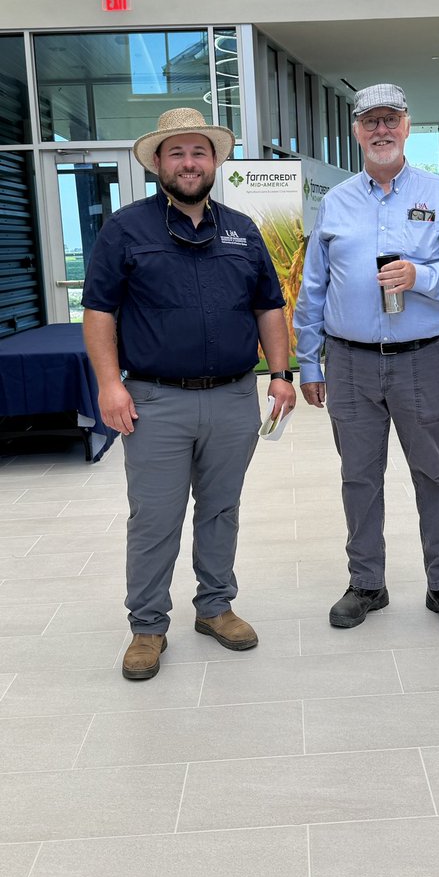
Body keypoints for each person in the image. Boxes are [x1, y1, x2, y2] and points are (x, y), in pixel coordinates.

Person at [82, 108, 296, 680]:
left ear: (214, 161)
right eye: (176, 153)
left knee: (222, 508)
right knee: (155, 517)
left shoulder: (242, 231)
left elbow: (268, 307)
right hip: (155, 401)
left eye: (198, 152)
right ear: (158, 163)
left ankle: (216, 607)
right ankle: (148, 626)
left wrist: (281, 373)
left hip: (232, 398)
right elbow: (99, 312)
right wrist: (108, 383)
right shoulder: (125, 230)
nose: (188, 162)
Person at [294, 83, 439, 632]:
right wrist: (309, 362)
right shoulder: (335, 201)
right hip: (349, 364)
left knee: (434, 473)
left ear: (407, 126)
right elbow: (313, 289)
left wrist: (422, 276)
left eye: (390, 119)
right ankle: (367, 583)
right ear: (357, 131)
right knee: (359, 476)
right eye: (369, 121)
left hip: (423, 359)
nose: (381, 129)